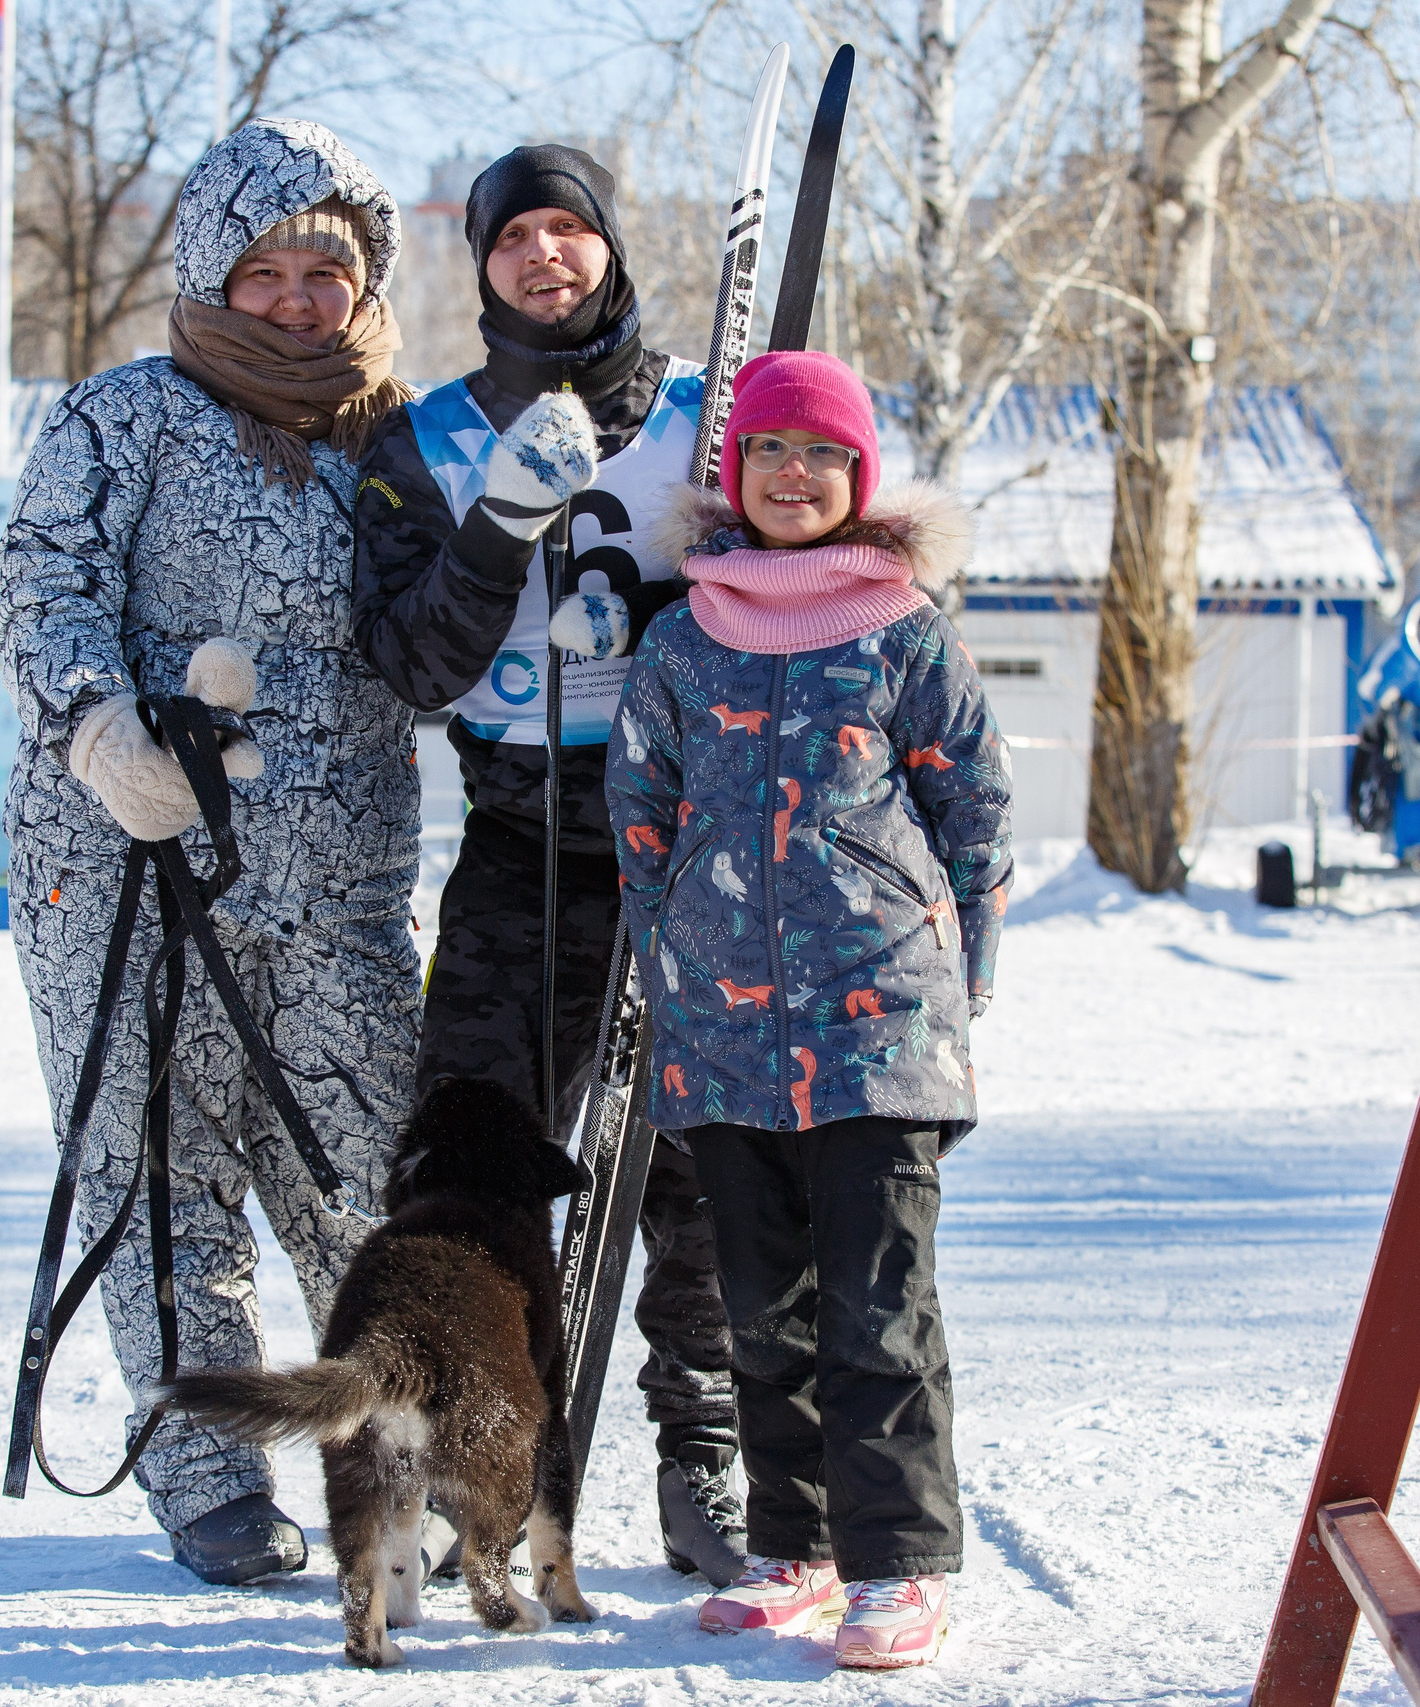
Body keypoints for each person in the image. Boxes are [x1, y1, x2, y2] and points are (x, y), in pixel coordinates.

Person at [0, 119, 422, 1586]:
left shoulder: (402, 439)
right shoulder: (120, 418)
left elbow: (453, 626)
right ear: (210, 273)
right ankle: (210, 1472)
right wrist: (100, 730)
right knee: (158, 1161)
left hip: (341, 870)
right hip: (127, 856)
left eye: (327, 270)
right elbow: (41, 586)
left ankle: (399, 1446)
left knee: (361, 1160)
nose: (299, 299)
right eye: (265, 270)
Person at [349, 144, 745, 1584]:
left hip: (697, 842)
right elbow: (410, 665)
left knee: (708, 1159)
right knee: (473, 1164)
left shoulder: (713, 413)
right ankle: (481, 1456)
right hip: (525, 841)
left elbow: (801, 569)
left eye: (567, 229)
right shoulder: (426, 441)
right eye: (511, 235)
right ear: (481, 265)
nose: (543, 255)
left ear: (609, 247)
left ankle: (707, 1451)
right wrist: (502, 525)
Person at [604, 350, 1011, 1669]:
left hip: (881, 1029)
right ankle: (800, 1545)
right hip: (725, 1037)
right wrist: (674, 959)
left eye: (823, 454)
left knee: (876, 1305)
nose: (795, 475)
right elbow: (642, 812)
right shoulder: (685, 636)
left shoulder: (905, 629)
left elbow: (975, 810)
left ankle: (901, 1561)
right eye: (770, 451)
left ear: (860, 475)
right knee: (759, 1304)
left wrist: (958, 982)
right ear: (735, 473)